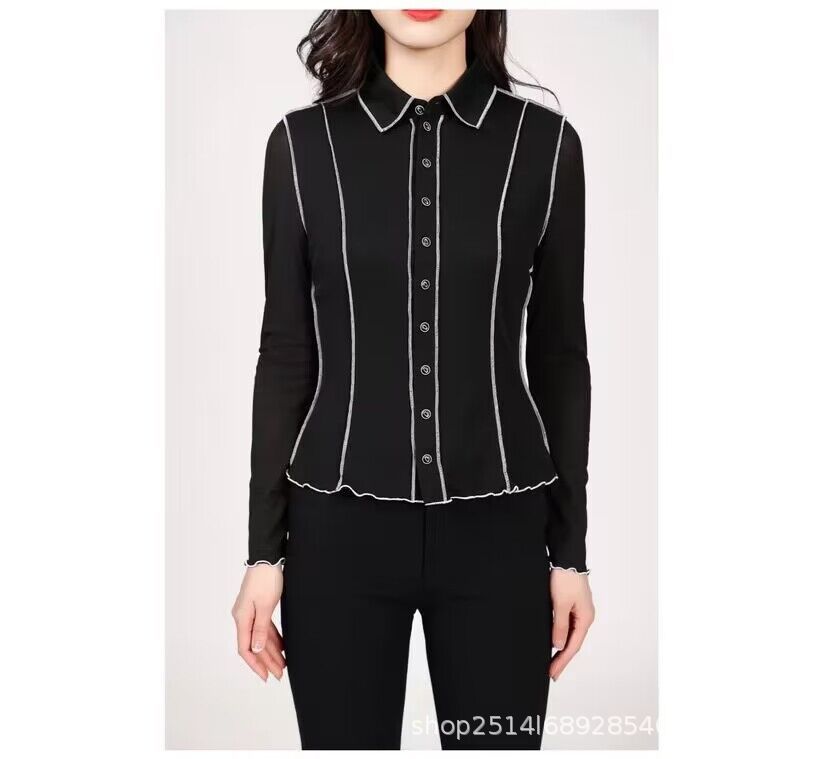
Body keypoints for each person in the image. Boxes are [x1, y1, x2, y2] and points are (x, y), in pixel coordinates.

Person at [232, 9, 595, 749]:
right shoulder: (302, 147)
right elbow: (286, 354)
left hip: (501, 533)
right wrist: (264, 553)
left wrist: (570, 553)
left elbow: (560, 357)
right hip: (337, 536)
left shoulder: (545, 147)